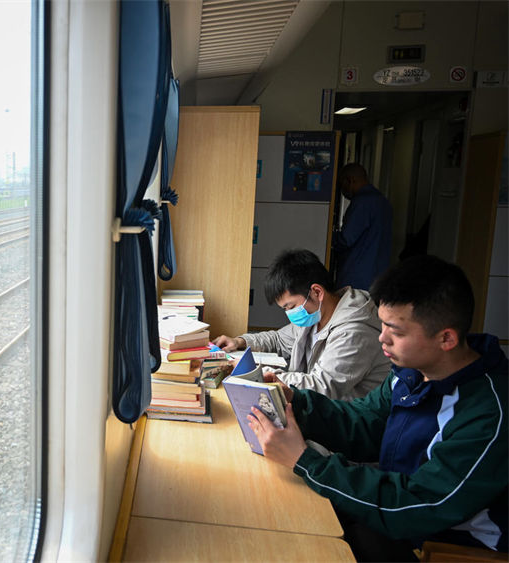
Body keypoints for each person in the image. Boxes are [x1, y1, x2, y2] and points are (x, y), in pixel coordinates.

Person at [248, 255, 508, 561]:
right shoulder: (410, 373)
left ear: (446, 338)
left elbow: (420, 504)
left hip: (443, 545)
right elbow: (364, 422)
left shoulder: (488, 413)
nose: (382, 338)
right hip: (394, 515)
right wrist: (297, 402)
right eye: (382, 325)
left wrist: (305, 462)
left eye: (396, 332)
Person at [212, 249, 389, 400]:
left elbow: (321, 386)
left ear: (316, 292)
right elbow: (278, 340)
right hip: (315, 409)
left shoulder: (354, 331)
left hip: (344, 425)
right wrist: (240, 342)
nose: (289, 314)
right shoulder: (317, 314)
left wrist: (254, 372)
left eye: (291, 306)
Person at [332, 163, 392, 290]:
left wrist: (328, 237)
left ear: (350, 180)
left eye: (342, 186)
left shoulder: (362, 202)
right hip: (378, 276)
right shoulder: (382, 201)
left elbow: (346, 239)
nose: (343, 192)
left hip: (357, 277)